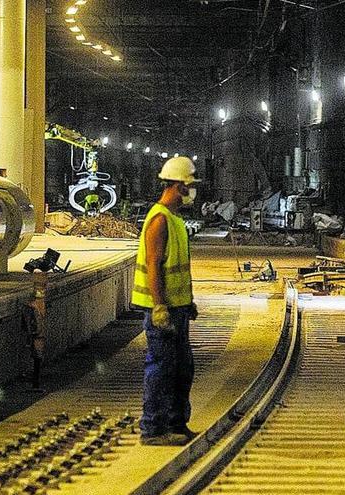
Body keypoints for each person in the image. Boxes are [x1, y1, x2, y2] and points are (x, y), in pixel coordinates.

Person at [132, 156, 200, 446]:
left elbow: (178, 267)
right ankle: (152, 429)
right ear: (177, 186)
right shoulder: (159, 220)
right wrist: (159, 307)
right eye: (189, 186)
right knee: (160, 368)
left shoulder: (175, 220)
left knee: (182, 368)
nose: (192, 192)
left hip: (178, 307)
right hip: (163, 310)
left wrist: (188, 301)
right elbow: (154, 264)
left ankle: (175, 423)